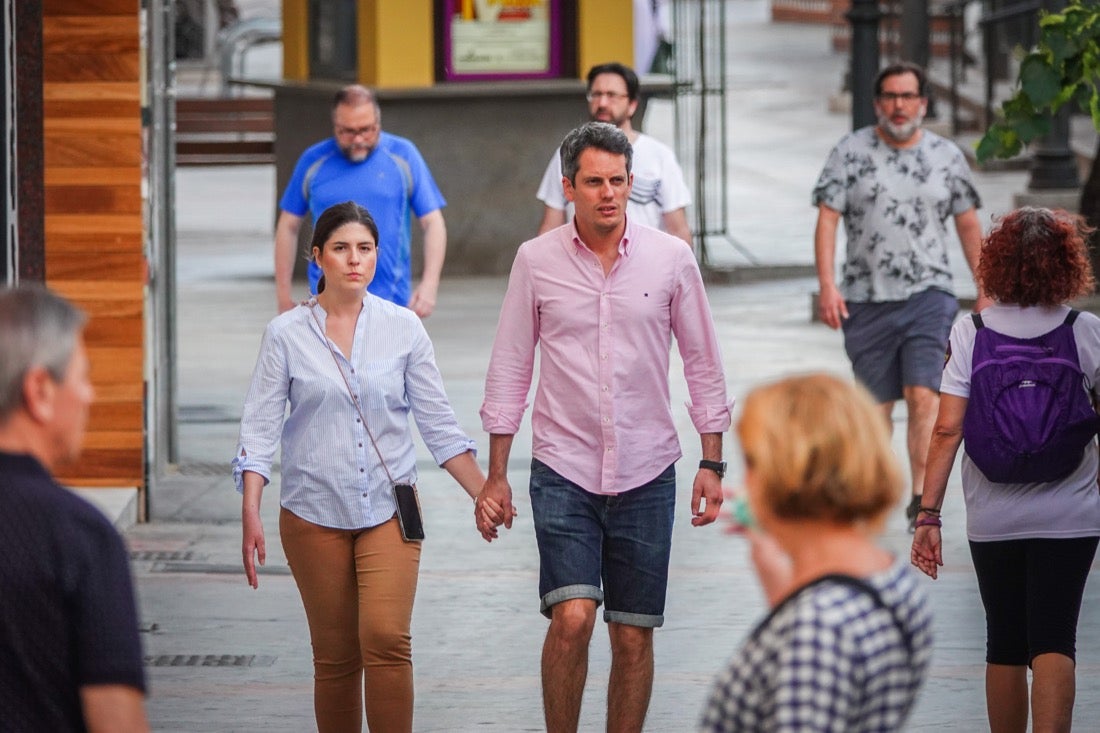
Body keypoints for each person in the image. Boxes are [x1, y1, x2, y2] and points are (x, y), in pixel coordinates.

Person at [478, 121, 730, 733]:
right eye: (593, 182)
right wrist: (496, 475)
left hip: (648, 471)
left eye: (618, 181)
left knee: (633, 638)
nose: (608, 194)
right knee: (572, 618)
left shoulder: (672, 258)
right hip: (563, 467)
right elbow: (511, 363)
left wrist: (712, 461)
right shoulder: (535, 262)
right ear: (569, 187)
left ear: (631, 183)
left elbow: (701, 358)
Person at [236, 201, 491, 733]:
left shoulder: (404, 329)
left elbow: (439, 426)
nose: (355, 260)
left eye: (366, 248)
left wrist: (483, 493)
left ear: (378, 255)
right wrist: (251, 510)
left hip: (388, 511)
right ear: (317, 257)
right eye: (341, 248)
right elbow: (258, 430)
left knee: (386, 639)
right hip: (310, 513)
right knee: (335, 659)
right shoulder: (285, 335)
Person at [911, 207, 1100, 733]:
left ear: (997, 263)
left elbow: (947, 430)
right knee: (1056, 637)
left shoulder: (971, 332)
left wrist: (928, 516)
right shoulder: (1085, 330)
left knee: (1005, 641)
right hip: (1072, 515)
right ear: (1065, 264)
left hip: (993, 516)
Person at [701, 373, 933, 732]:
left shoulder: (818, 632)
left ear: (787, 473)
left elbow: (816, 642)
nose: (744, 483)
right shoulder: (889, 578)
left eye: (752, 464)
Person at [812, 61, 985, 530]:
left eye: (908, 96)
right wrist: (828, 285)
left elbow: (968, 223)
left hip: (930, 293)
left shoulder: (947, 157)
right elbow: (827, 219)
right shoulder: (850, 152)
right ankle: (870, 491)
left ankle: (918, 499)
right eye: (890, 96)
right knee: (876, 407)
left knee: (924, 394)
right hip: (865, 298)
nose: (899, 105)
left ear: (924, 103)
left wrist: (984, 289)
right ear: (877, 103)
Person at [0, 285, 149, 733]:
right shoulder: (78, 537)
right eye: (81, 377)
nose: (89, 396)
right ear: (40, 390)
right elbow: (115, 719)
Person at [275, 85, 447, 317]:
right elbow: (288, 226)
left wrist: (430, 285)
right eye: (346, 131)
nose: (357, 139)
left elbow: (433, 223)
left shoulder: (403, 155)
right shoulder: (313, 161)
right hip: (325, 304)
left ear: (378, 123)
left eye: (366, 130)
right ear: (334, 126)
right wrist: (283, 296)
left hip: (392, 302)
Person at [536, 62, 693, 245]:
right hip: (582, 265)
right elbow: (550, 226)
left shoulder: (660, 156)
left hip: (644, 267)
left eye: (612, 96)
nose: (602, 103)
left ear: (632, 104)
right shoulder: (568, 152)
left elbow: (678, 230)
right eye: (596, 95)